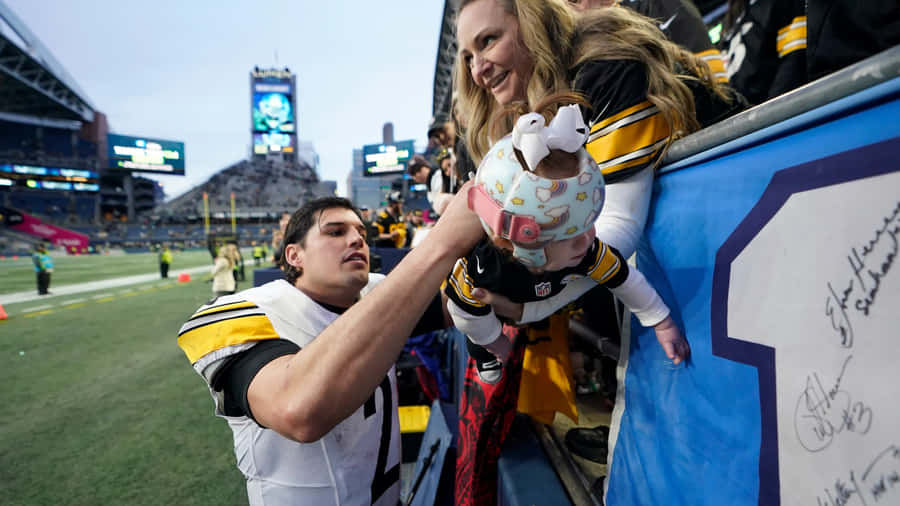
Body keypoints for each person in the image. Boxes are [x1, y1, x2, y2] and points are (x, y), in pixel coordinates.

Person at [453, 1, 739, 502]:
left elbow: (614, 231)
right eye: (465, 55)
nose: (476, 68)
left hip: (734, 225)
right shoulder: (528, 106)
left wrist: (528, 302)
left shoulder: (603, 66)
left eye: (488, 41)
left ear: (532, 21)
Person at [176, 194, 484, 505]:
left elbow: (459, 305)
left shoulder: (373, 292)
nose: (356, 240)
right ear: (294, 255)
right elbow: (299, 412)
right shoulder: (243, 313)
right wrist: (441, 243)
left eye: (362, 234)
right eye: (336, 232)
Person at [447, 99, 688, 376]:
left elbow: (625, 280)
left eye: (589, 221)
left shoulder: (584, 248)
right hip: (492, 312)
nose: (589, 238)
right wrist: (494, 340)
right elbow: (464, 312)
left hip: (545, 301)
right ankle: (484, 356)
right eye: (567, 233)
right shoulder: (483, 271)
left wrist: (661, 322)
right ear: (509, 240)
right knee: (478, 333)